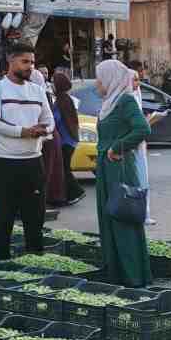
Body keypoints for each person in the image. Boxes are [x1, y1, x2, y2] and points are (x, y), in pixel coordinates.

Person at [0, 42, 54, 260]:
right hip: (4, 163)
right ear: (10, 61)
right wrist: (23, 132)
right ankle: (2, 260)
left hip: (33, 162)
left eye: (32, 62)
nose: (30, 66)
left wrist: (43, 130)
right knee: (3, 217)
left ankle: (35, 259)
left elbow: (49, 120)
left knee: (35, 217)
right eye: (25, 62)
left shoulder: (38, 90)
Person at [93, 59, 155, 287]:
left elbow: (143, 128)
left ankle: (133, 276)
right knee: (108, 219)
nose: (96, 85)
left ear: (111, 80)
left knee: (123, 220)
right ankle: (115, 275)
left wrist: (117, 147)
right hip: (106, 170)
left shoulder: (126, 101)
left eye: (99, 80)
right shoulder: (109, 103)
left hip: (119, 168)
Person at [127, 60, 159, 226]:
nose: (139, 80)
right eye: (136, 77)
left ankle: (143, 212)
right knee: (134, 179)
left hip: (139, 142)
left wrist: (147, 120)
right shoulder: (125, 96)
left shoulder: (137, 92)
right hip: (130, 143)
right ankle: (135, 212)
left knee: (143, 178)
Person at [51, 73, 88, 206]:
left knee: (64, 169)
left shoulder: (61, 100)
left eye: (53, 83)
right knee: (64, 168)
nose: (51, 85)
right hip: (70, 140)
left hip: (65, 141)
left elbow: (55, 119)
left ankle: (76, 192)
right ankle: (68, 195)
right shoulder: (66, 98)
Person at [36, 69, 70, 207]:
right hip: (54, 136)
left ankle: (54, 198)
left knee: (51, 170)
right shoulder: (52, 95)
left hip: (55, 137)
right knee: (56, 169)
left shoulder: (53, 97)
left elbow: (54, 118)